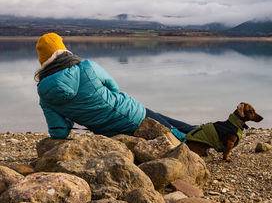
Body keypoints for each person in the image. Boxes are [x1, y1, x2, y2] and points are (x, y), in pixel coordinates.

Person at [35, 33, 196, 140]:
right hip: (130, 113)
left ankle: (206, 134)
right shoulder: (87, 67)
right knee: (177, 132)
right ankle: (210, 137)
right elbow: (113, 87)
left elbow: (59, 132)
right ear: (64, 51)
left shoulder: (44, 94)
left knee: (173, 125)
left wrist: (73, 114)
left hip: (108, 132)